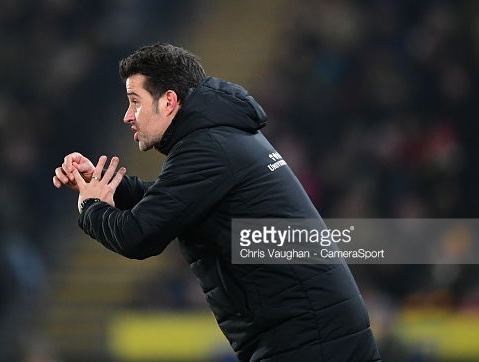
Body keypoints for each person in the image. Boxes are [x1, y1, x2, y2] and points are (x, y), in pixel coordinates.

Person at [53, 43, 381, 362]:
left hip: (308, 339)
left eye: (135, 101)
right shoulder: (219, 134)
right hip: (313, 334)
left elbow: (139, 235)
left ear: (168, 102)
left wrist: (91, 207)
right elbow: (173, 199)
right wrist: (105, 183)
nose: (127, 116)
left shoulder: (205, 147)